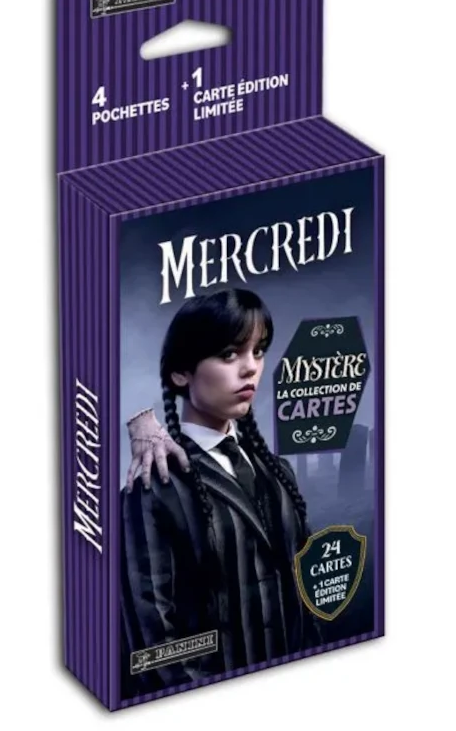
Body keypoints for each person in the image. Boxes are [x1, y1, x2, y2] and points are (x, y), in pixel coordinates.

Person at [120, 288, 320, 695]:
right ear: (181, 372)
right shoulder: (154, 485)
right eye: (229, 354)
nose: (251, 368)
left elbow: (309, 592)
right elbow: (153, 634)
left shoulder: (278, 472)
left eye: (258, 351)